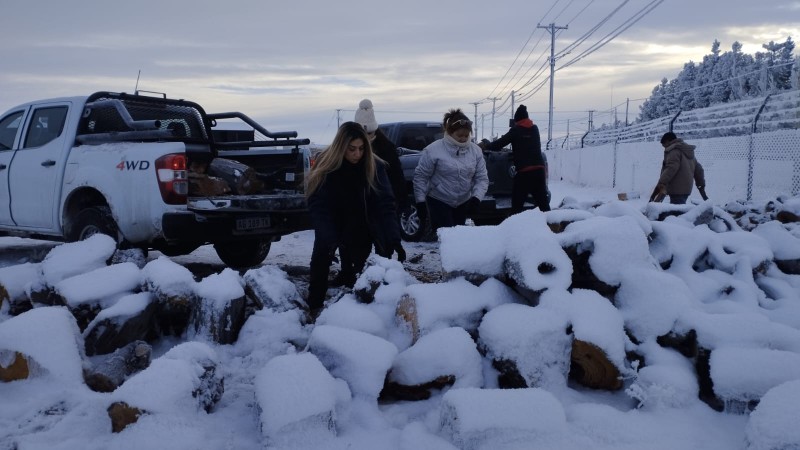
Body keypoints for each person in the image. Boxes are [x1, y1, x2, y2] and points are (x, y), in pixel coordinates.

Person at [306, 122, 405, 318]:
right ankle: (314, 307)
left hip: (361, 224)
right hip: (332, 221)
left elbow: (385, 203)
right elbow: (319, 206)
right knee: (320, 261)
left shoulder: (374, 165)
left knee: (359, 273)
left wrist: (394, 237)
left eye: (361, 148)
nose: (357, 154)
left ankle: (360, 317)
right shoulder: (326, 165)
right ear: (341, 147)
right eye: (351, 149)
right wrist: (328, 238)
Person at [413, 108, 489, 235]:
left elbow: (482, 178)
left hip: (462, 201)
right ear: (450, 132)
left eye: (466, 135)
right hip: (439, 200)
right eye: (459, 135)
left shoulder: (475, 151)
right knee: (447, 236)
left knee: (459, 238)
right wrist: (420, 201)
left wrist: (476, 198)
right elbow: (421, 177)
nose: (463, 139)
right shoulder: (433, 150)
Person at [478, 104, 550, 213]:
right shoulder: (535, 129)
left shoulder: (516, 130)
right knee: (544, 205)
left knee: (517, 206)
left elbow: (499, 144)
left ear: (517, 120)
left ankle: (514, 228)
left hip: (524, 173)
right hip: (539, 171)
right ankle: (552, 226)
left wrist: (486, 146)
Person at [354, 99, 410, 215]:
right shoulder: (348, 149)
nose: (366, 137)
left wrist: (402, 202)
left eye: (369, 133)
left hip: (382, 204)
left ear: (374, 129)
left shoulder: (386, 148)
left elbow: (397, 177)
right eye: (362, 134)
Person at [650, 131, 708, 204]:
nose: (664, 148)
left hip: (676, 188)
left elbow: (671, 169)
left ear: (668, 141)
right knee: (679, 209)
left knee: (676, 212)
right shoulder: (686, 151)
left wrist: (661, 183)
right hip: (686, 189)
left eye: (664, 145)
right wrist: (701, 185)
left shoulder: (674, 151)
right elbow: (699, 170)